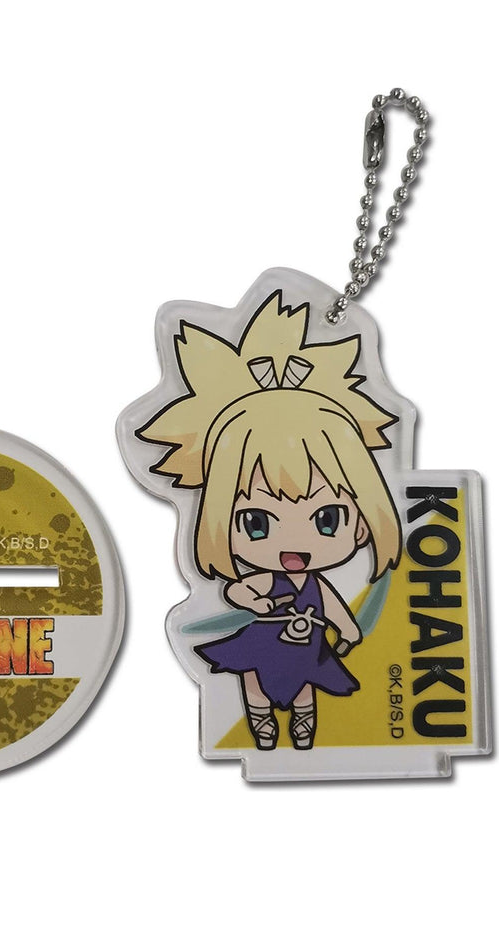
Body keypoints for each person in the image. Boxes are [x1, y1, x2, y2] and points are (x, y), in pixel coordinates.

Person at [138, 291, 401, 749]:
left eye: (326, 519)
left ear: (361, 523)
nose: (293, 545)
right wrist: (255, 601)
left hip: (305, 645)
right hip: (265, 637)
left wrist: (348, 630)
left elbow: (336, 609)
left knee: (304, 682)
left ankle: (302, 725)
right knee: (254, 678)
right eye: (257, 523)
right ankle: (260, 721)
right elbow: (237, 590)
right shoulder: (267, 578)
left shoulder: (316, 585)